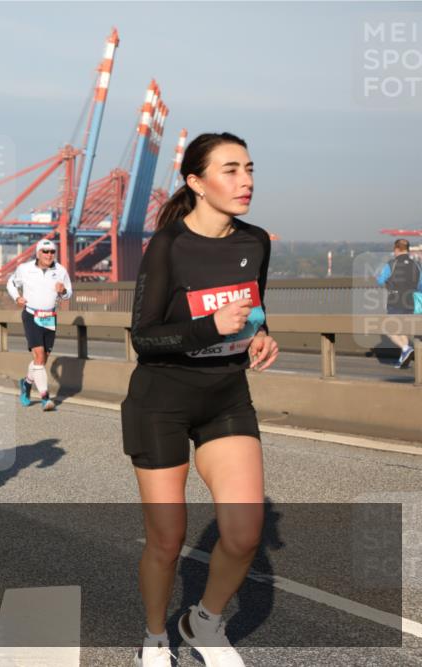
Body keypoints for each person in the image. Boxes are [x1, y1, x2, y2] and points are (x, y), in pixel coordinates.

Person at [121, 133, 278, 667]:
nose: (246, 181)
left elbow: (254, 308)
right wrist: (208, 325)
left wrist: (260, 334)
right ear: (196, 183)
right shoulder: (167, 245)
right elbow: (143, 336)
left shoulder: (255, 242)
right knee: (168, 539)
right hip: (161, 401)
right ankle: (154, 637)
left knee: (244, 533)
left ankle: (204, 623)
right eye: (230, 170)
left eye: (249, 169)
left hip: (226, 397)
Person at [6, 238, 72, 411]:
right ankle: (45, 398)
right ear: (38, 252)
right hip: (31, 315)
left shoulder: (60, 270)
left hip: (49, 317)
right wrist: (17, 297)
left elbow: (68, 293)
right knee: (39, 355)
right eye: (45, 251)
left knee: (41, 360)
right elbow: (11, 283)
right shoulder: (25, 269)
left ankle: (26, 384)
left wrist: (63, 291)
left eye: (52, 252)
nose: (49, 255)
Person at [376, 238, 421, 369]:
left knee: (390, 329)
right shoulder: (416, 265)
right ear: (407, 249)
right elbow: (420, 285)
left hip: (395, 301)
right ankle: (404, 360)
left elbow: (380, 281)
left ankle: (406, 348)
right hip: (410, 301)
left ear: (396, 249)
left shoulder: (391, 264)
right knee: (404, 330)